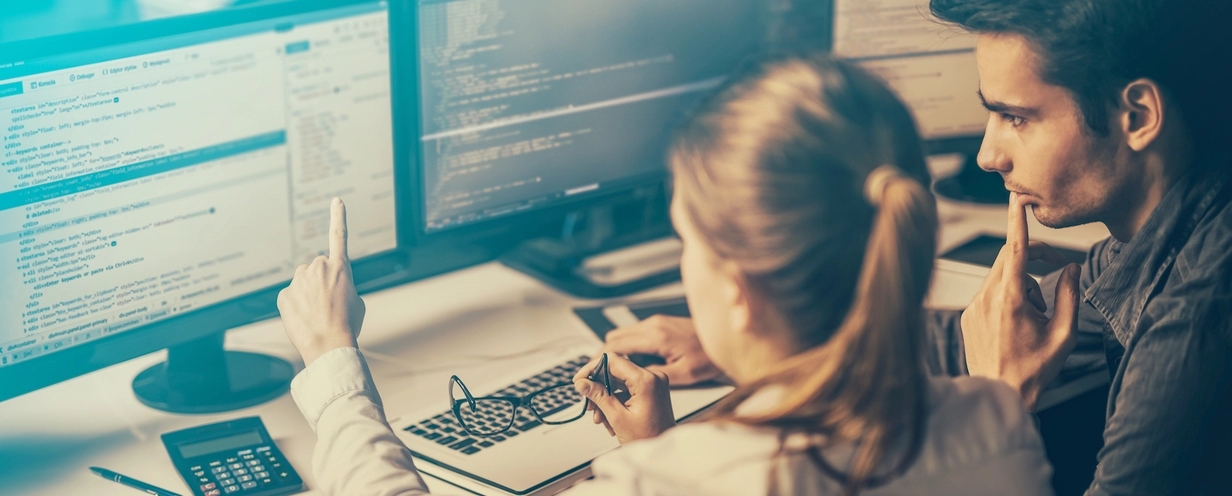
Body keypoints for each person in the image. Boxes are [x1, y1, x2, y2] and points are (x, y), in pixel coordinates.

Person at [277, 53, 1054, 495]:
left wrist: (333, 365)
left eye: (688, 240)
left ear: (741, 295)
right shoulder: (998, 422)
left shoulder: (673, 486)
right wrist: (652, 450)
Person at [604, 1, 1232, 494]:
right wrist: (777, 337)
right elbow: (1002, 331)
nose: (988, 155)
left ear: (1138, 115)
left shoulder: (1198, 316)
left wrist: (1002, 404)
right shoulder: (1164, 237)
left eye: (1017, 117)